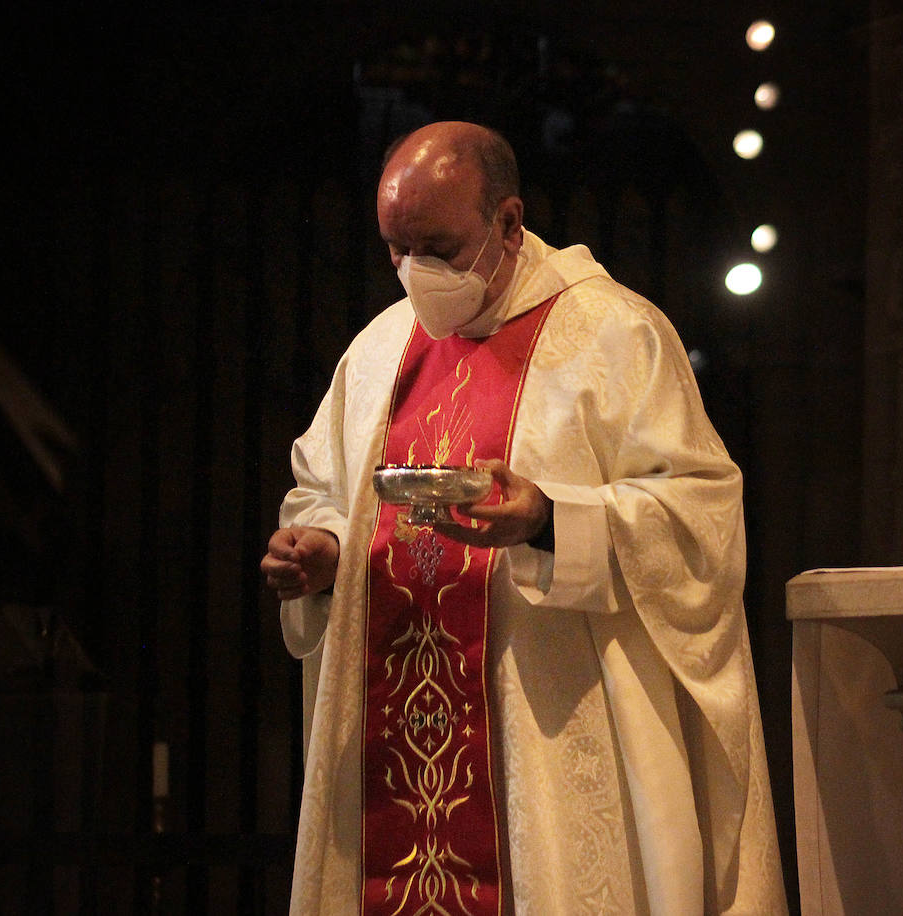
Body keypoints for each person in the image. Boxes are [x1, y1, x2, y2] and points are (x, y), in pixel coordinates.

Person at [261, 120, 787, 915]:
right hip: (396, 746)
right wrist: (325, 548)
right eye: (394, 250)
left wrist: (549, 517)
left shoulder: (615, 334)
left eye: (436, 246)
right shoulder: (376, 351)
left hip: (547, 743)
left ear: (509, 221)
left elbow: (699, 515)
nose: (412, 273)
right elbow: (322, 488)